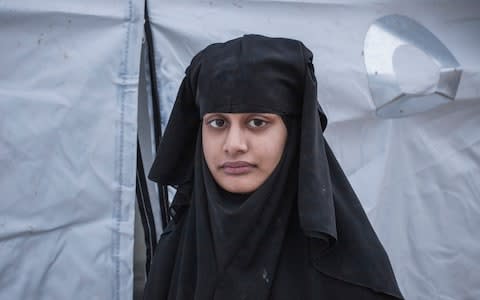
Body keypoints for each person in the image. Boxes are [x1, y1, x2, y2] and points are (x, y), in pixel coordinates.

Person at [144, 34, 404, 300]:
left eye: (257, 122)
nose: (233, 145)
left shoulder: (350, 281)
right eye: (218, 123)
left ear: (293, 133)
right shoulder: (175, 254)